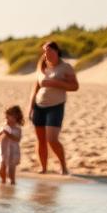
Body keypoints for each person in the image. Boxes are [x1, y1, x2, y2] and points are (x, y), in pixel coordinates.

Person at [27, 40, 79, 175]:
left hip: (55, 106)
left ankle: (63, 166)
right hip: (39, 105)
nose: (46, 54)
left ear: (56, 51)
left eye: (49, 50)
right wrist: (30, 106)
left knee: (52, 139)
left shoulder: (65, 67)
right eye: (44, 51)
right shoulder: (42, 67)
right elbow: (36, 87)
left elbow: (75, 86)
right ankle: (43, 168)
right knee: (40, 139)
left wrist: (54, 82)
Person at [0, 105, 24, 185]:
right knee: (1, 168)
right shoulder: (4, 127)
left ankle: (12, 182)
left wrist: (8, 134)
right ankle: (2, 182)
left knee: (11, 170)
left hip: (13, 152)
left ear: (16, 118)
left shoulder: (17, 128)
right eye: (6, 118)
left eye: (8, 117)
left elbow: (17, 139)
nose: (7, 119)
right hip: (3, 151)